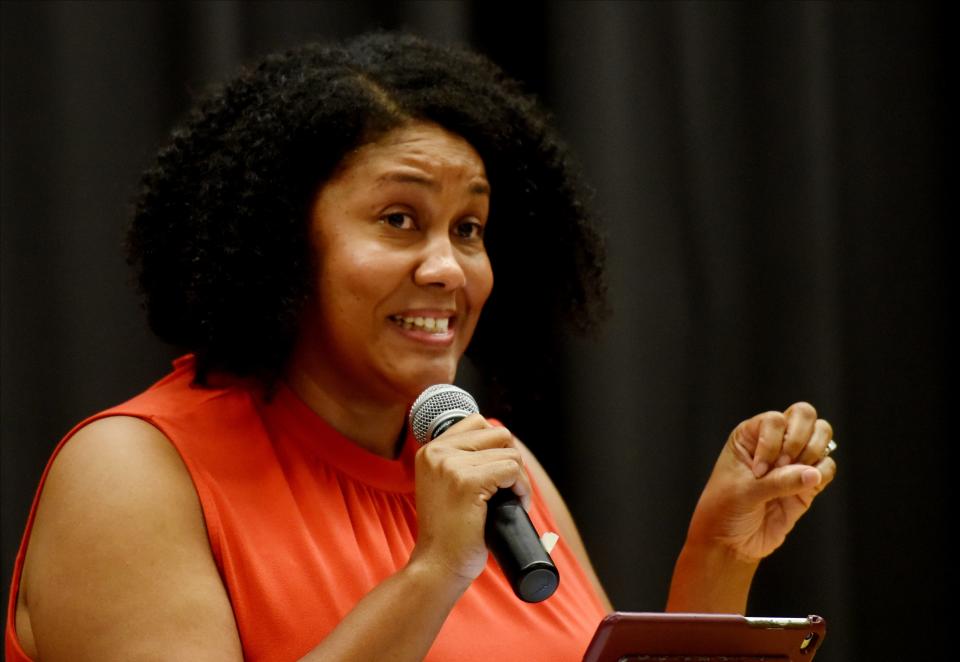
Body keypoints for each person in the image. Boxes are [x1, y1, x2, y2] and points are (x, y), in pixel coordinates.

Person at [5, 32, 837, 662]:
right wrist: (432, 573)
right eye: (399, 219)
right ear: (279, 241)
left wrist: (717, 558)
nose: (448, 268)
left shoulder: (496, 467)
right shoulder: (132, 473)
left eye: (468, 228)